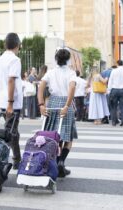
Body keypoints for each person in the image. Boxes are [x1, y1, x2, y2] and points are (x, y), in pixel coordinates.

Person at [38, 48, 77, 178]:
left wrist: (41, 104)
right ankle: (61, 162)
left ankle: (55, 163)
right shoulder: (71, 73)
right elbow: (72, 87)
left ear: (56, 59)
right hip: (66, 103)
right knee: (68, 137)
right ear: (68, 59)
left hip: (53, 103)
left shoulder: (51, 72)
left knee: (54, 135)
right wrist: (67, 105)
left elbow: (41, 86)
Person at [0, 32, 23, 169]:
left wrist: (0, 97)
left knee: (12, 131)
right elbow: (11, 80)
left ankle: (17, 159)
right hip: (12, 102)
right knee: (9, 133)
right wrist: (10, 102)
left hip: (3, 100)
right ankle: (0, 159)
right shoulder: (15, 60)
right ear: (18, 45)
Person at [108, 60, 123, 126]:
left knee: (114, 107)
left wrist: (109, 90)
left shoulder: (114, 71)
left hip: (114, 90)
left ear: (117, 64)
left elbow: (110, 81)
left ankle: (114, 122)